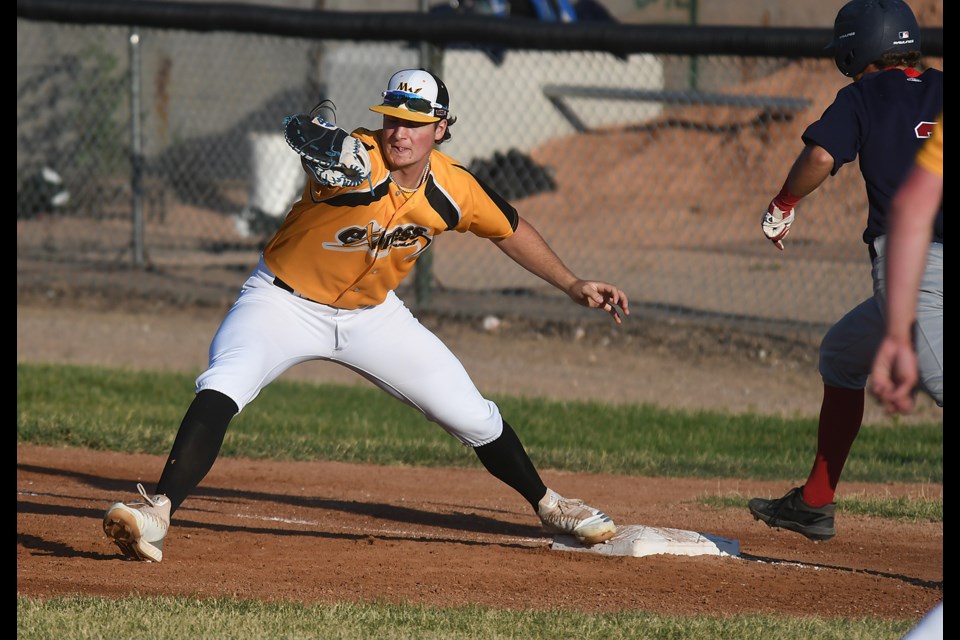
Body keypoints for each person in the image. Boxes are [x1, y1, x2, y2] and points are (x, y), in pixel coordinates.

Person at [101, 68, 629, 562]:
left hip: (372, 316)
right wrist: (328, 155)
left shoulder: (454, 188)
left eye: (417, 123)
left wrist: (572, 283)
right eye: (393, 118)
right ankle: (157, 512)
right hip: (281, 302)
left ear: (441, 129)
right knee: (223, 384)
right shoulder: (356, 158)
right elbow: (337, 162)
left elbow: (510, 228)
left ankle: (549, 505)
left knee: (471, 413)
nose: (400, 132)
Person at [748, 0, 942, 542]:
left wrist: (784, 202)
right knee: (841, 354)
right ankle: (814, 502)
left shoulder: (862, 96)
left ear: (861, 50)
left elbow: (818, 157)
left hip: (915, 266)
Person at [870, 111, 942, 415]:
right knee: (839, 353)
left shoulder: (862, 95)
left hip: (927, 269)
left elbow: (912, 206)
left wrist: (899, 336)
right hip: (928, 270)